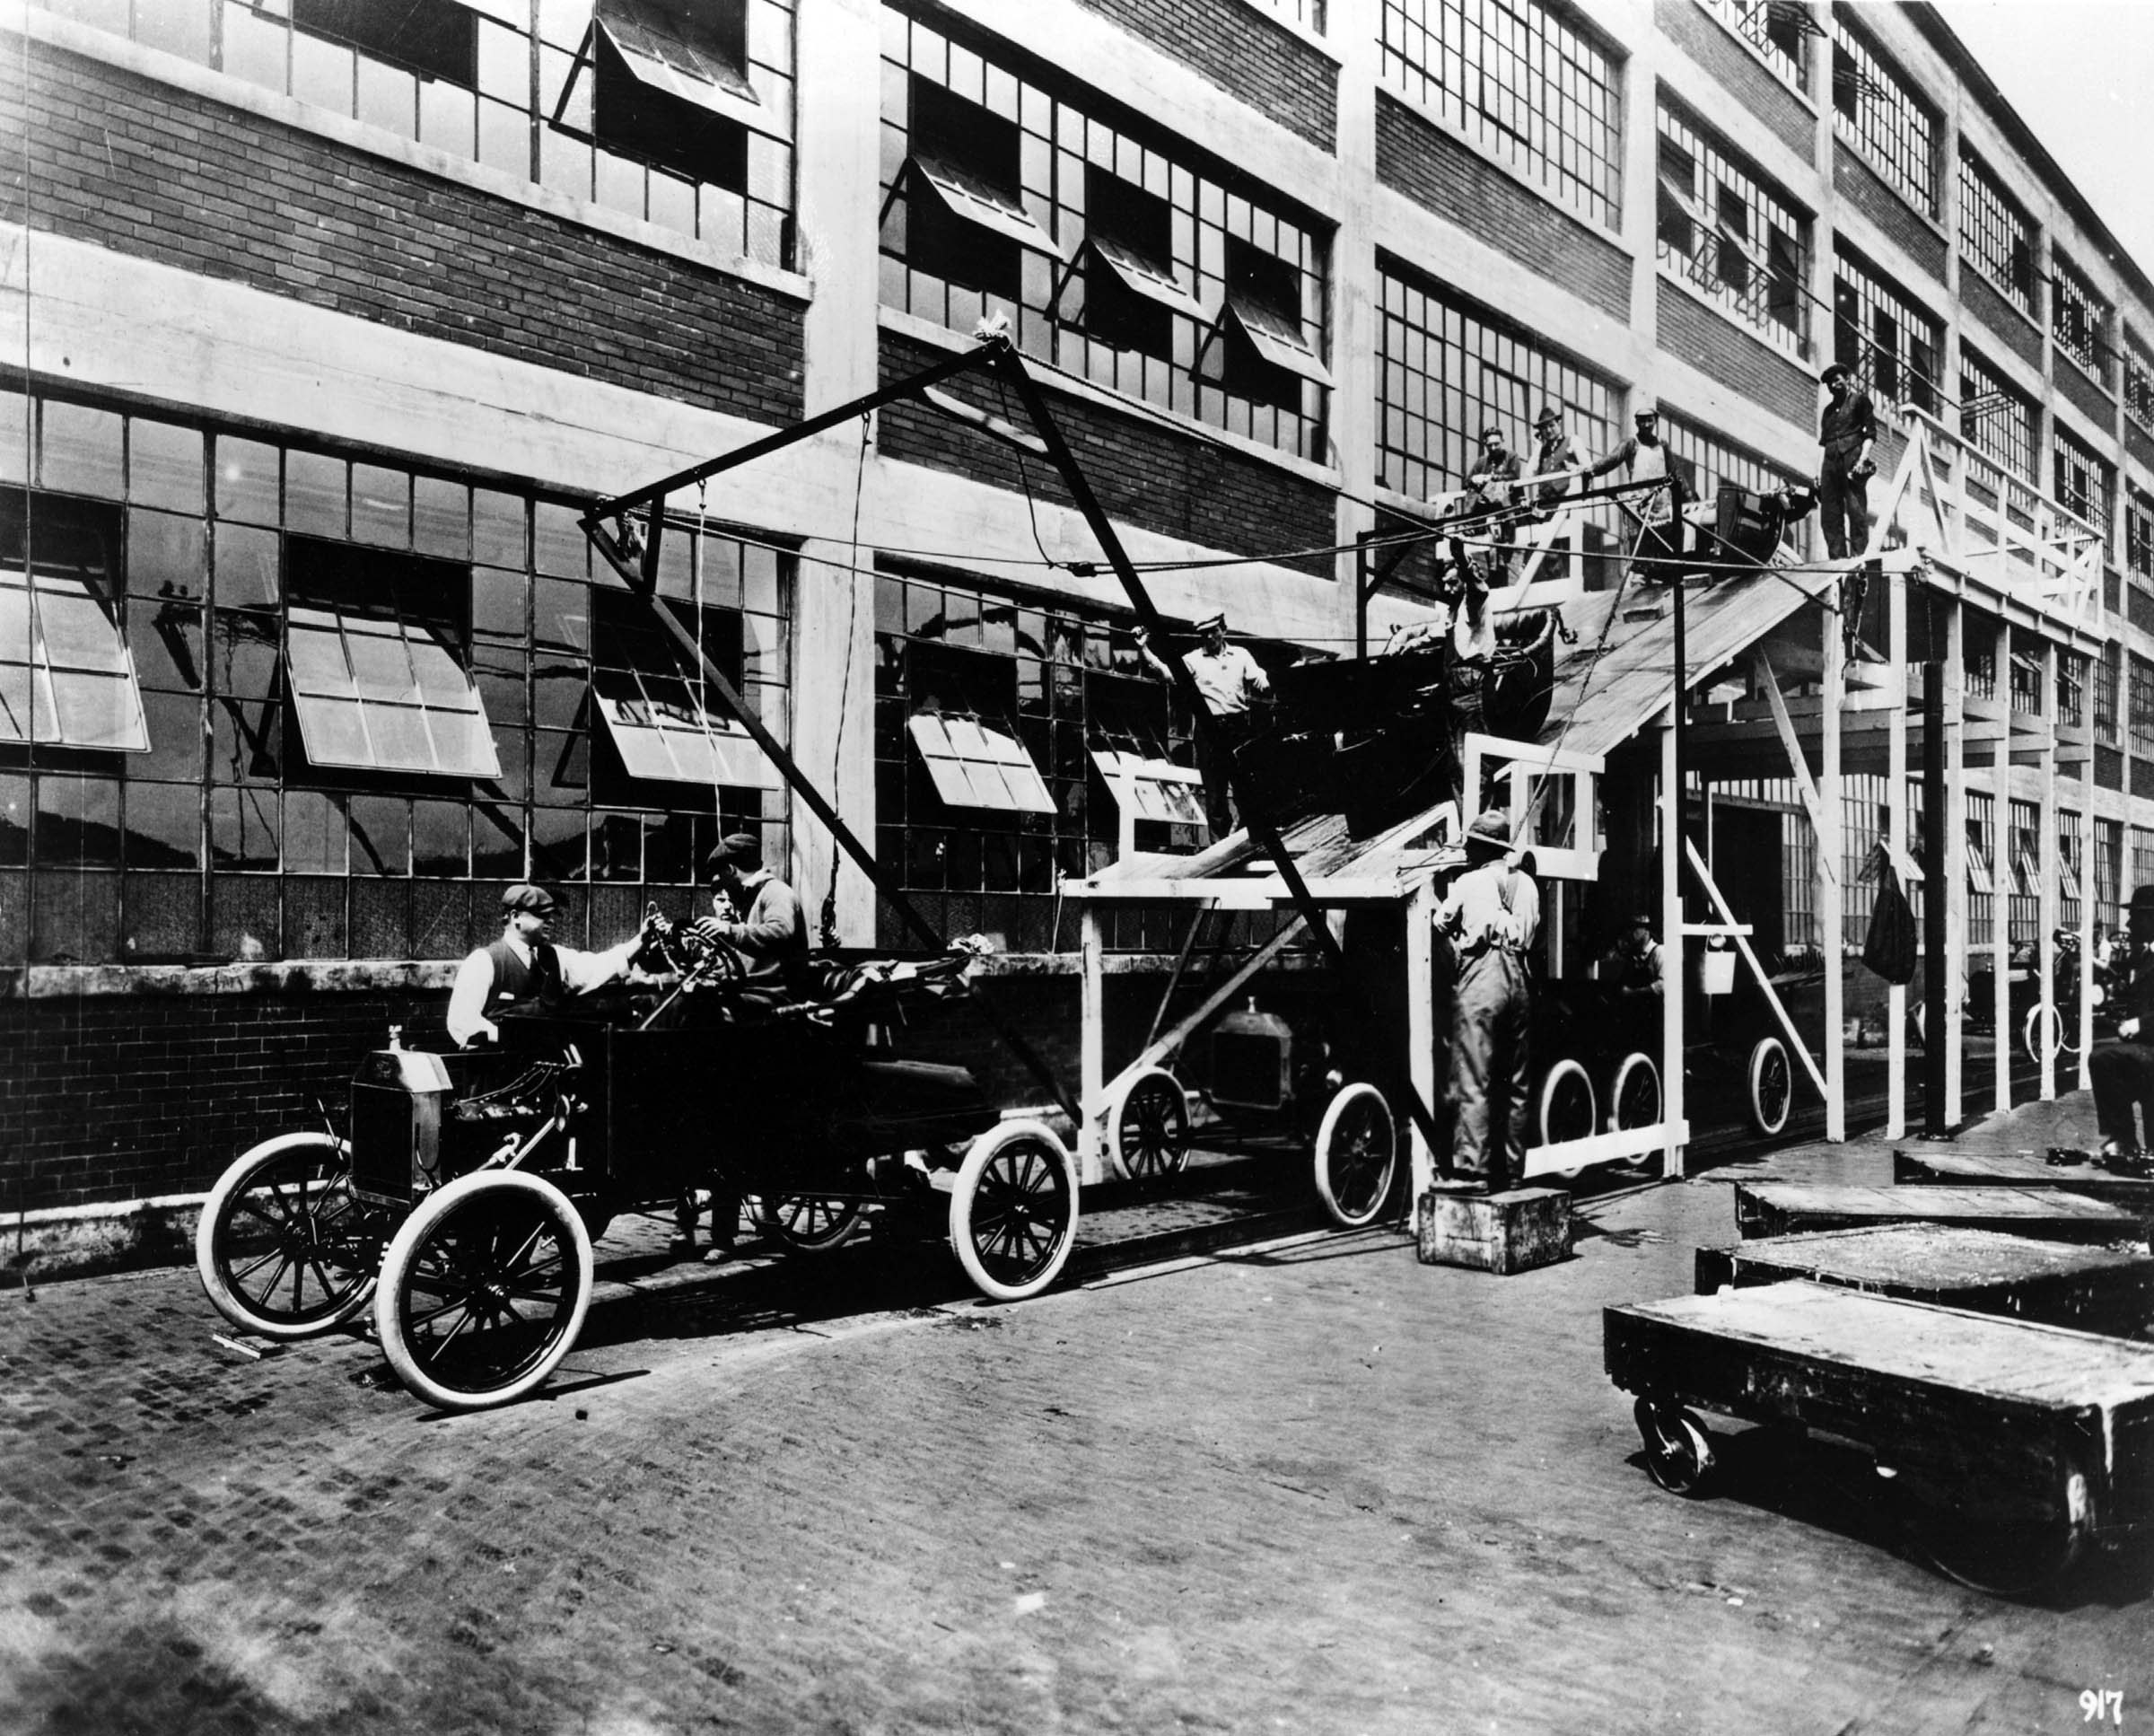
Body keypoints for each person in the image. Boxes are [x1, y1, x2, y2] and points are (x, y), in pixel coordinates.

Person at [1433, 808, 1541, 1193]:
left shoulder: (1467, 881)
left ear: (1480, 848)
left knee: (1473, 1076)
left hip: (1482, 977)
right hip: (1521, 978)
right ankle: (1513, 1173)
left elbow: (1439, 924)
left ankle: (1471, 1172)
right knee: (1517, 1081)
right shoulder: (1528, 885)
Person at [445, 882, 647, 1048]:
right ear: (515, 917)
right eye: (541, 914)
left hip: (545, 1075)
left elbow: (599, 966)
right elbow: (462, 1022)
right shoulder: (483, 961)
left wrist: (641, 941)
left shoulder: (555, 957)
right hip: (498, 1077)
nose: (550, 921)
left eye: (551, 915)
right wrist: (513, 1037)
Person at [1135, 611, 1271, 833]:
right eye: (1204, 634)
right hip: (1210, 729)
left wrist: (1266, 680)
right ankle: (1222, 848)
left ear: (1223, 630)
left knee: (1247, 787)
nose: (1209, 637)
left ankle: (1250, 837)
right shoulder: (1193, 660)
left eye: (1213, 631)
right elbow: (1166, 675)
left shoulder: (1241, 655)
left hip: (1239, 728)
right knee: (1215, 793)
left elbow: (1259, 679)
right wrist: (1143, 648)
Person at [1588, 400, 1692, 584]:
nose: (1646, 425)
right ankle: (1641, 574)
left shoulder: (1663, 445)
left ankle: (1665, 573)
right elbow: (1613, 459)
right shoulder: (1631, 444)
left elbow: (1675, 472)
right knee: (1640, 538)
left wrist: (1689, 495)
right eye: (1642, 421)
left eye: (1649, 421)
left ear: (1655, 422)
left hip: (1661, 501)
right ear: (1637, 423)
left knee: (1665, 536)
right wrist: (1593, 470)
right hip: (1640, 501)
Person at [2088, 887, 2154, 1163]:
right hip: (2147, 1046)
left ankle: (2124, 1139)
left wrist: (2138, 1024)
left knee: (2103, 1058)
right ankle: (2126, 1140)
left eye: (2135, 917)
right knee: (2108, 1059)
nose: (2128, 924)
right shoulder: (2144, 956)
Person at [1817, 362, 1878, 562]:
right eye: (1830, 384)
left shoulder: (1860, 401)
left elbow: (1870, 434)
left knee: (1855, 509)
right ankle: (1837, 559)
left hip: (1852, 457)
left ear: (1847, 379)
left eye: (1837, 380)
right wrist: (1818, 473)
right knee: (1829, 514)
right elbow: (1823, 443)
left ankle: (1859, 557)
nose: (1834, 386)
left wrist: (1863, 459)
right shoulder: (1827, 412)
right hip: (1830, 461)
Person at [1459, 424, 1525, 584]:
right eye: (1490, 445)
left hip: (1505, 507)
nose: (1494, 448)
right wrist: (1475, 479)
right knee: (1490, 546)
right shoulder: (1482, 462)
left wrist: (1492, 479)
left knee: (1500, 548)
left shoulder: (1511, 457)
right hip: (1486, 510)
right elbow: (1466, 482)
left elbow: (1514, 476)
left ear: (1502, 441)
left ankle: (1499, 576)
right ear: (1485, 445)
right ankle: (1495, 577)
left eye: (1496, 444)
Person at [1526, 404, 1584, 520]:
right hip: (1545, 505)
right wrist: (1538, 446)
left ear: (1559, 424)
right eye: (1544, 428)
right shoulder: (1541, 451)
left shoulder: (1572, 441)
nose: (1548, 430)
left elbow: (1587, 466)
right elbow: (1529, 474)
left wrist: (1574, 468)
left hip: (1565, 501)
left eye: (1551, 425)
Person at [1600, 910, 1665, 1005]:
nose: (1630, 932)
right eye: (1629, 928)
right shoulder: (1634, 957)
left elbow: (1663, 986)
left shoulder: (1659, 951)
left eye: (1635, 928)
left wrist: (1633, 993)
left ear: (1646, 930)